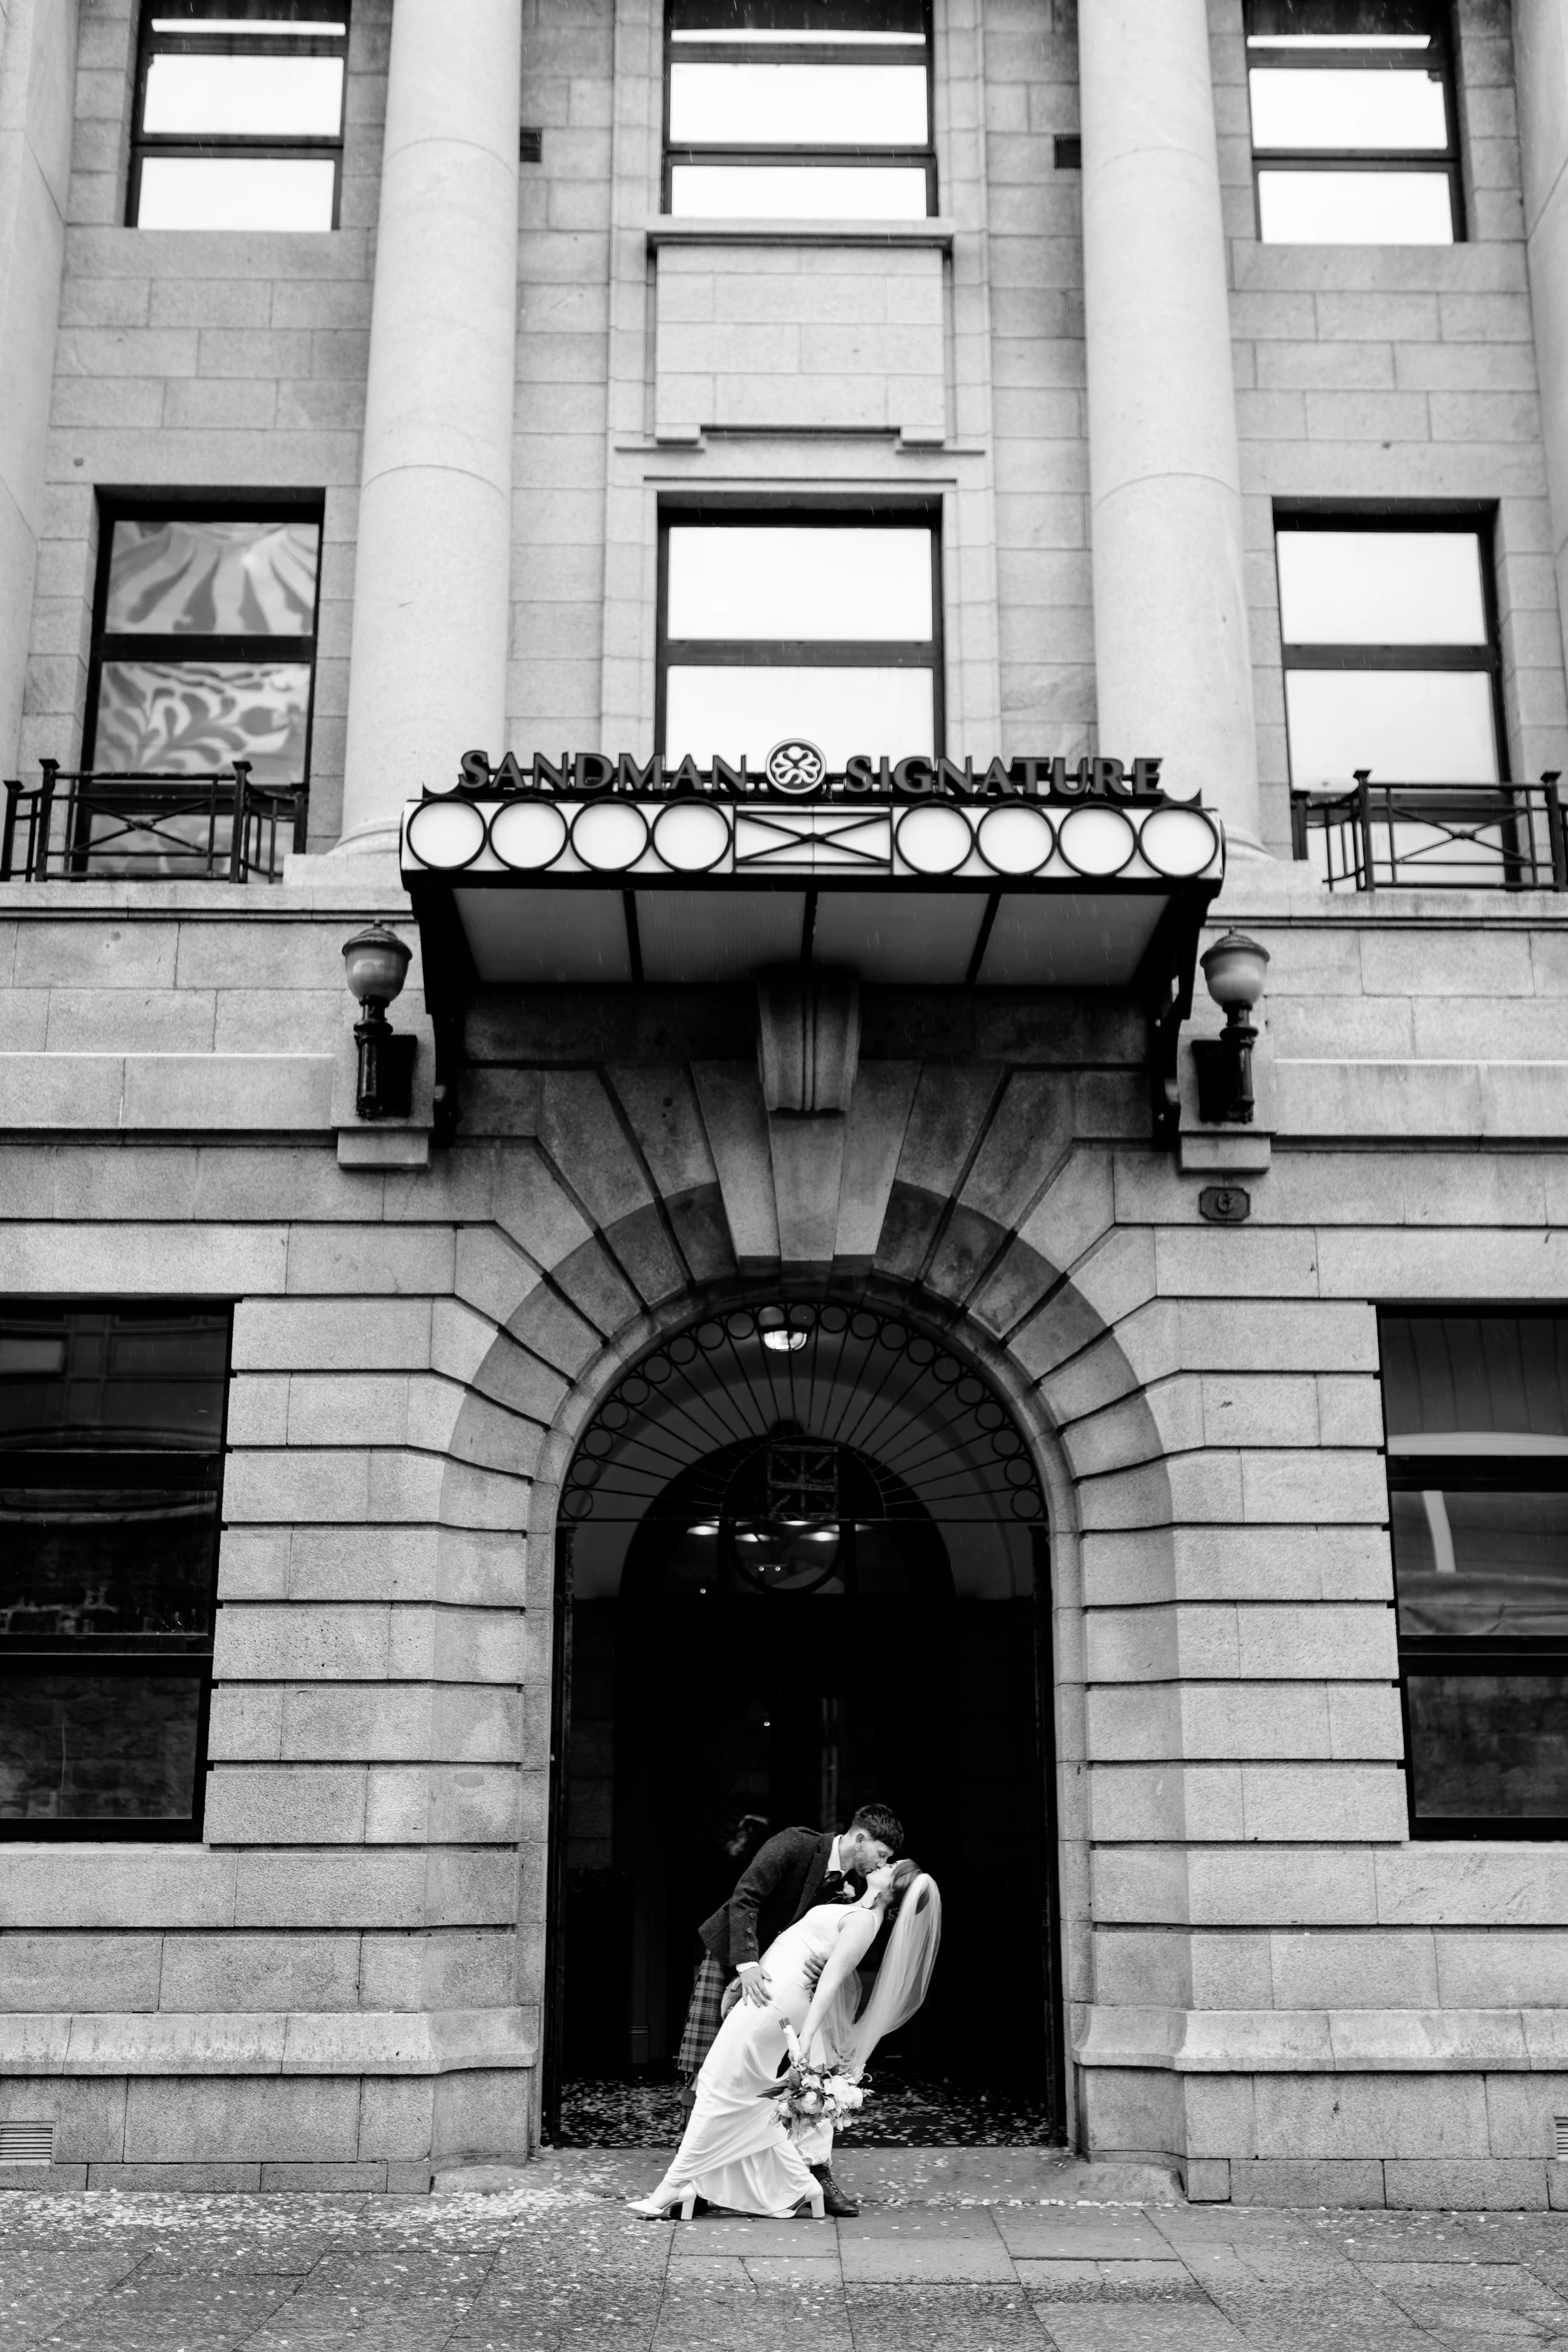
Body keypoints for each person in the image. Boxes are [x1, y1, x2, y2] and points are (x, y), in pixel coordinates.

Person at [629, 1857, 941, 2222]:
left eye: (891, 1865)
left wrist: (806, 2037)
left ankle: (671, 2187)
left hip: (776, 2001)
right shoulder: (854, 1909)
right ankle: (800, 2184)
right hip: (768, 1992)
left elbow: (830, 1982)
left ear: (893, 1888)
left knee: (717, 2083)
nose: (882, 1862)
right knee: (749, 2097)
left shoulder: (863, 1921)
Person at [674, 1802, 901, 2212]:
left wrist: (822, 1961)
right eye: (882, 1855)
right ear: (861, 1838)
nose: (882, 1864)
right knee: (710, 2068)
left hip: (792, 1988)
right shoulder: (795, 1844)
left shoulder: (853, 1889)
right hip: (738, 1960)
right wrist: (746, 1966)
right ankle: (690, 2179)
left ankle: (815, 2172)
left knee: (804, 2070)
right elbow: (745, 1897)